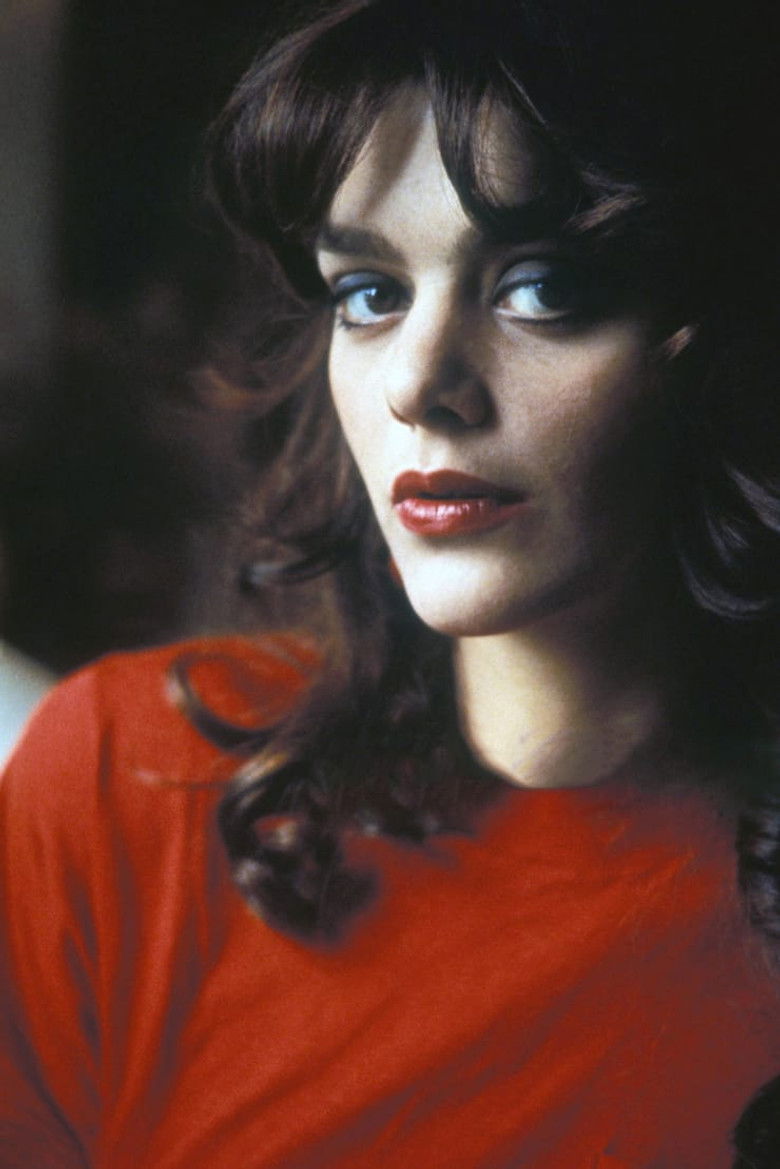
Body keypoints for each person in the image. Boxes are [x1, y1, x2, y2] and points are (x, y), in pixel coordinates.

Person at [2, 1, 780, 1166]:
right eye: (369, 292)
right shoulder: (128, 780)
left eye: (541, 288)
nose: (417, 382)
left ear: (726, 342)